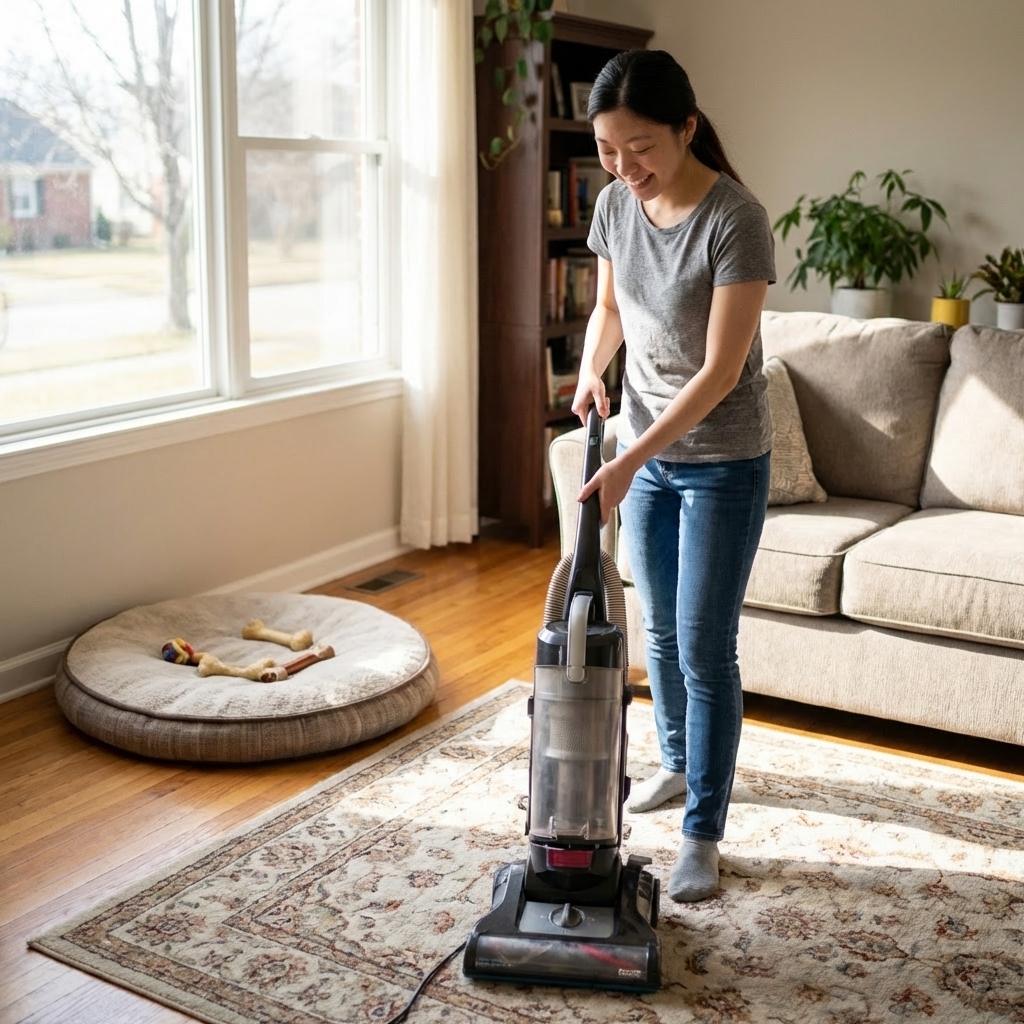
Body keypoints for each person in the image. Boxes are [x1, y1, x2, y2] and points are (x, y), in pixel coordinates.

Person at [571, 49, 775, 903]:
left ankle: (703, 830)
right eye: (610, 151)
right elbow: (611, 309)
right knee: (655, 633)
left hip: (722, 462)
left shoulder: (736, 219)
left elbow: (722, 372)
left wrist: (628, 458)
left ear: (687, 128)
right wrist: (590, 371)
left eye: (641, 148)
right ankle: (677, 767)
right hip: (645, 457)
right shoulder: (617, 204)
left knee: (702, 647)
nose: (625, 169)